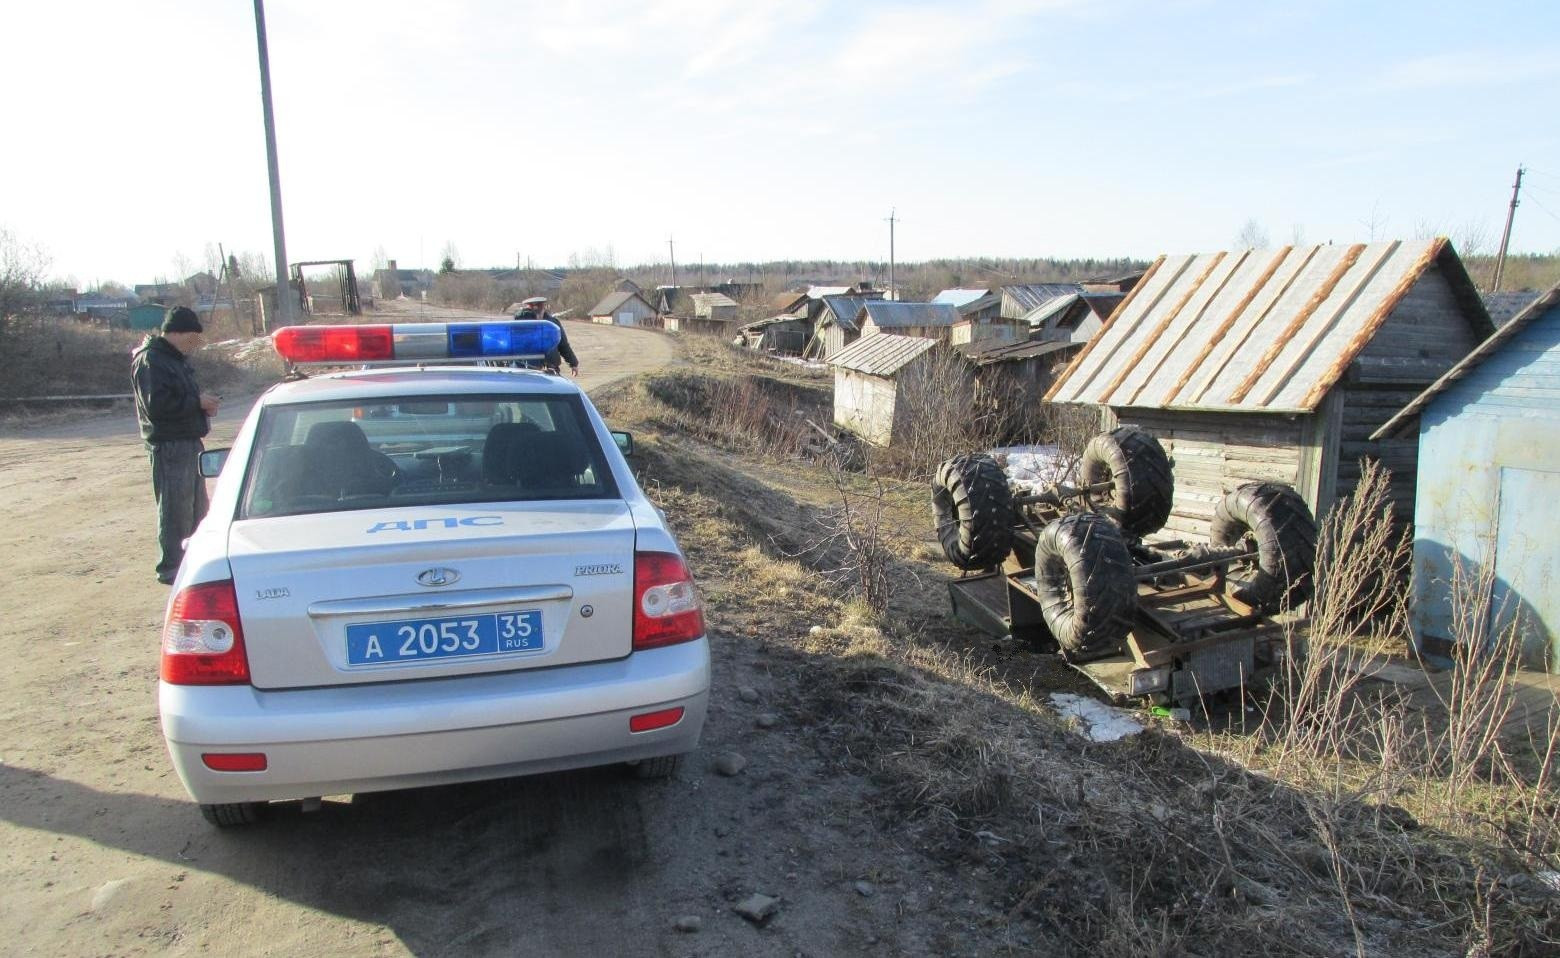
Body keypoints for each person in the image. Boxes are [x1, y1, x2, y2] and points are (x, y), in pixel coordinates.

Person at [131, 306, 220, 584]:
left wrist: (201, 406)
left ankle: (192, 564)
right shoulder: (151, 360)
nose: (197, 343)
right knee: (175, 509)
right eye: (194, 336)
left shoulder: (173, 359)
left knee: (196, 509)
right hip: (169, 446)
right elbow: (156, 407)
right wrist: (196, 403)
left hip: (188, 442)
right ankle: (172, 569)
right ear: (178, 332)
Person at [515, 296, 579, 376]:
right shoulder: (520, 323)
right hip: (526, 371)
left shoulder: (553, 324)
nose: (536, 308)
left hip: (551, 370)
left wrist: (573, 363)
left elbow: (563, 344)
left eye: (539, 305)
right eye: (532, 306)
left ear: (544, 307)